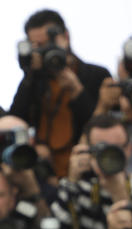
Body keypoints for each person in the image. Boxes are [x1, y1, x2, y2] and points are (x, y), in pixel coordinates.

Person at [9, 10, 111, 178]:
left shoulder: (96, 75)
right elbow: (14, 120)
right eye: (37, 47)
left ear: (65, 37)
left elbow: (103, 126)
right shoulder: (34, 80)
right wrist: (29, 75)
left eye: (48, 43)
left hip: (89, 170)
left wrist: (76, 90)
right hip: (45, 175)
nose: (44, 51)